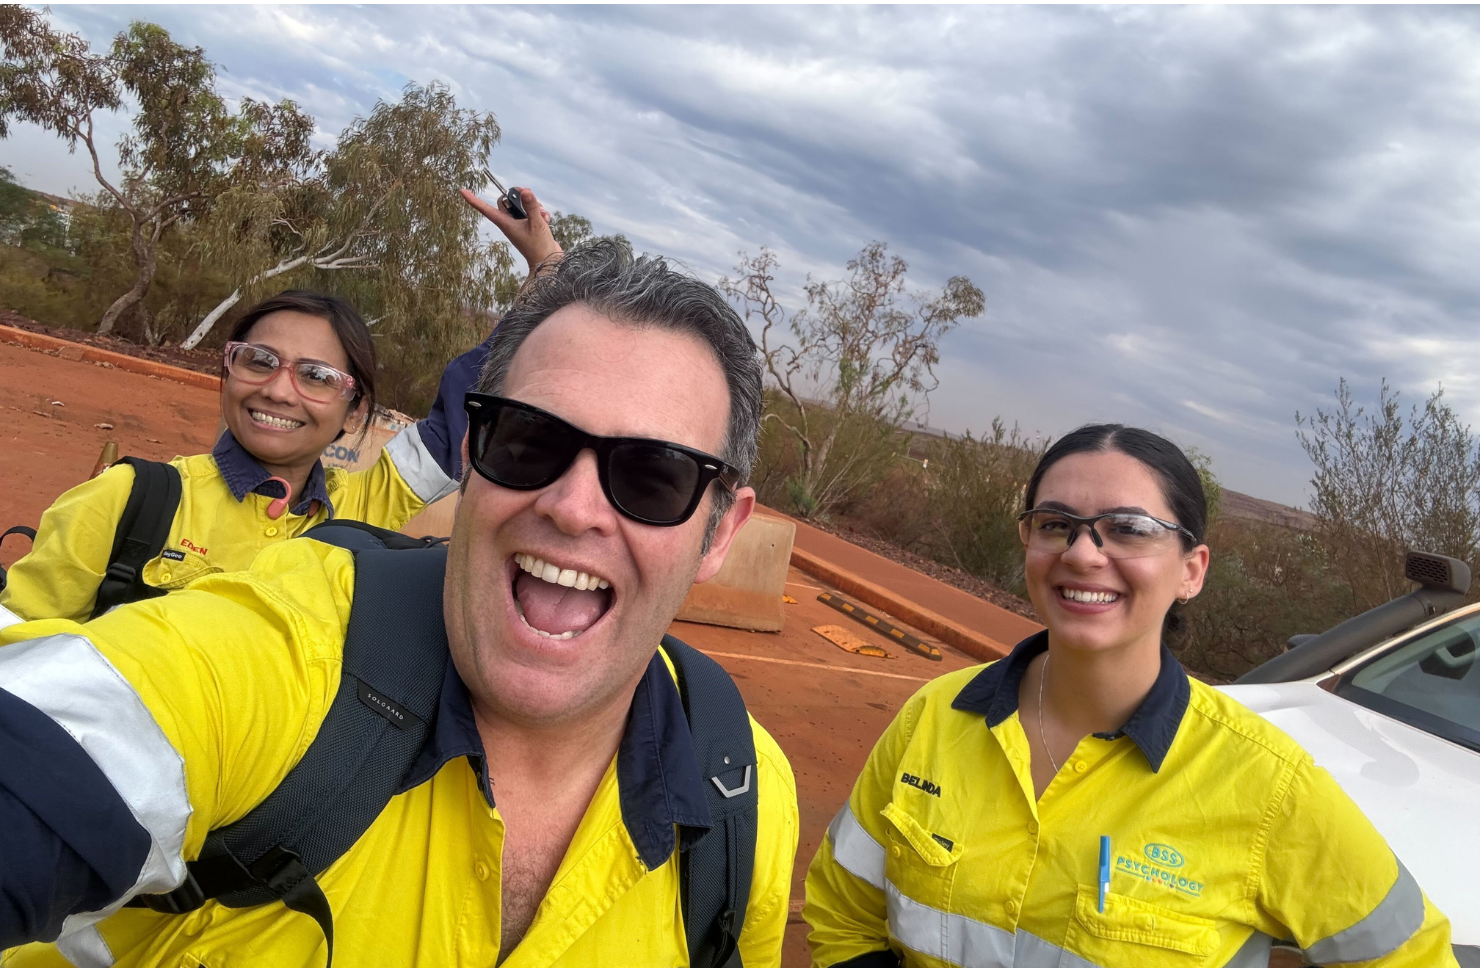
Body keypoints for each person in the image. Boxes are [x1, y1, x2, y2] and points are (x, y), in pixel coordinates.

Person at [0, 240, 799, 967]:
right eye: (527, 440)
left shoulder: (744, 796)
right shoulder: (261, 608)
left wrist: (544, 271)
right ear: (472, 461)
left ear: (722, 528)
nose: (572, 507)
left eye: (653, 475)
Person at [804, 424, 1456, 967]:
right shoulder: (935, 717)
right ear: (1028, 542)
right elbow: (844, 912)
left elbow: (1410, 954)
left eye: (1128, 528)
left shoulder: (1267, 787)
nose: (1084, 554)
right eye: (1056, 523)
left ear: (1191, 571)